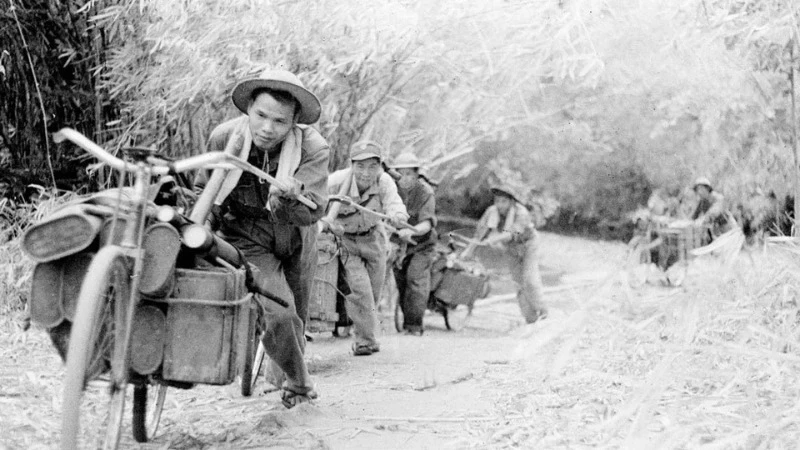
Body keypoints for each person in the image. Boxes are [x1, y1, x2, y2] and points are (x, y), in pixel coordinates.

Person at [196, 69, 328, 408]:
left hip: (297, 234)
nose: (268, 128)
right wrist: (201, 227)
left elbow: (314, 210)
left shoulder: (313, 147)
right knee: (280, 313)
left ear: (295, 123)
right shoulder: (224, 139)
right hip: (248, 237)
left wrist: (288, 197)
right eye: (261, 116)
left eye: (280, 122)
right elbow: (203, 191)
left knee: (297, 311)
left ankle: (279, 375)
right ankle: (299, 382)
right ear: (248, 111)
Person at [322, 143, 409, 355]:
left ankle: (365, 335)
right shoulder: (336, 182)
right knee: (360, 291)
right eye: (360, 166)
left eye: (372, 166)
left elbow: (394, 203)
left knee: (374, 292)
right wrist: (326, 222)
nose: (366, 173)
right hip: (347, 243)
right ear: (351, 165)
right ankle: (364, 341)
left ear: (379, 166)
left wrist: (398, 216)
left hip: (375, 240)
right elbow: (316, 206)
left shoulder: (384, 181)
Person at [473, 183, 548, 324]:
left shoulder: (521, 213)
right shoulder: (491, 212)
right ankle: (530, 318)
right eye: (497, 201)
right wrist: (468, 250)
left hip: (528, 245)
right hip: (511, 249)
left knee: (530, 280)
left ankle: (543, 310)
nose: (500, 205)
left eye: (504, 201)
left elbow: (510, 234)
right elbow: (480, 233)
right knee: (518, 283)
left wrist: (493, 239)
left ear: (511, 201)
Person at [389, 152, 437, 336]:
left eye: (410, 173)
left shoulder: (425, 192)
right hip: (399, 244)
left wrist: (413, 231)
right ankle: (407, 320)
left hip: (422, 245)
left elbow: (427, 222)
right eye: (402, 173)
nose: (406, 178)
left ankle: (414, 325)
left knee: (415, 280)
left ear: (417, 174)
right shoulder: (390, 188)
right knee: (401, 282)